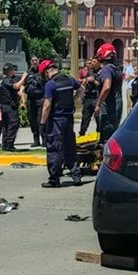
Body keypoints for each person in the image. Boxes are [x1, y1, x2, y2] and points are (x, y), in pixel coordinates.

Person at [39, 59, 81, 188]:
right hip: (68, 118)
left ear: (47, 72)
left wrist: (42, 122)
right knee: (70, 146)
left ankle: (54, 179)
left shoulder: (51, 84)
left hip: (56, 120)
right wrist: (73, 100)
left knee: (55, 148)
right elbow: (81, 89)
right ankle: (76, 175)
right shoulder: (69, 79)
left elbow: (47, 106)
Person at [0, 63, 26, 151]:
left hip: (3, 105)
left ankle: (5, 144)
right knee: (14, 124)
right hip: (10, 106)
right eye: (12, 70)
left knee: (6, 126)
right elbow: (16, 86)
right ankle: (9, 144)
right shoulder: (6, 80)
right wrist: (23, 77)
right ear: (10, 71)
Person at [95, 43, 123, 145]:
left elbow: (107, 86)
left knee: (105, 140)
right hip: (117, 107)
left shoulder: (106, 69)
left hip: (108, 108)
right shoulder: (116, 69)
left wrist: (98, 104)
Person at [23, 56, 46, 148]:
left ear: (39, 61)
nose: (34, 62)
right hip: (31, 99)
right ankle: (36, 140)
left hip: (40, 99)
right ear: (30, 62)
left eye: (36, 60)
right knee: (32, 120)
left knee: (40, 119)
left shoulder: (43, 72)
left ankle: (44, 140)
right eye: (32, 60)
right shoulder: (27, 73)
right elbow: (23, 86)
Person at [78, 58, 100, 136]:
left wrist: (93, 81)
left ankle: (99, 134)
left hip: (96, 97)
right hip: (88, 97)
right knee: (85, 117)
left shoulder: (101, 72)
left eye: (94, 62)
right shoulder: (89, 72)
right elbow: (84, 82)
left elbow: (101, 85)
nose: (92, 64)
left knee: (98, 118)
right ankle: (82, 133)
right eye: (90, 62)